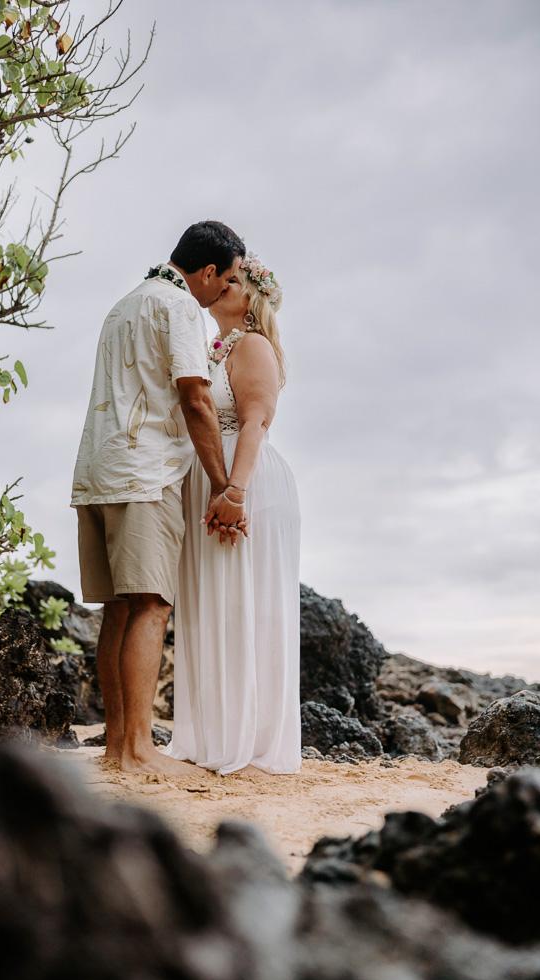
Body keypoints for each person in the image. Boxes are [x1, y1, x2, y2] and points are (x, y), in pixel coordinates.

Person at [69, 220, 247, 775]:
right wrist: (223, 485)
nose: (227, 290)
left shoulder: (123, 304)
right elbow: (195, 400)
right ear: (209, 270)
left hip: (96, 470)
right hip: (144, 474)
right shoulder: (180, 308)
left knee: (118, 609)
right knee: (151, 604)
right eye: (229, 278)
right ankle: (140, 750)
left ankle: (117, 749)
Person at [162, 254, 302, 774]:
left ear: (253, 299)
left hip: (248, 482)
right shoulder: (214, 349)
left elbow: (255, 422)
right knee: (212, 602)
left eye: (238, 280)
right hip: (210, 480)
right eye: (227, 276)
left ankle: (251, 738)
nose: (226, 284)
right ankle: (212, 734)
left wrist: (235, 492)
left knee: (247, 603)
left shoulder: (255, 346)